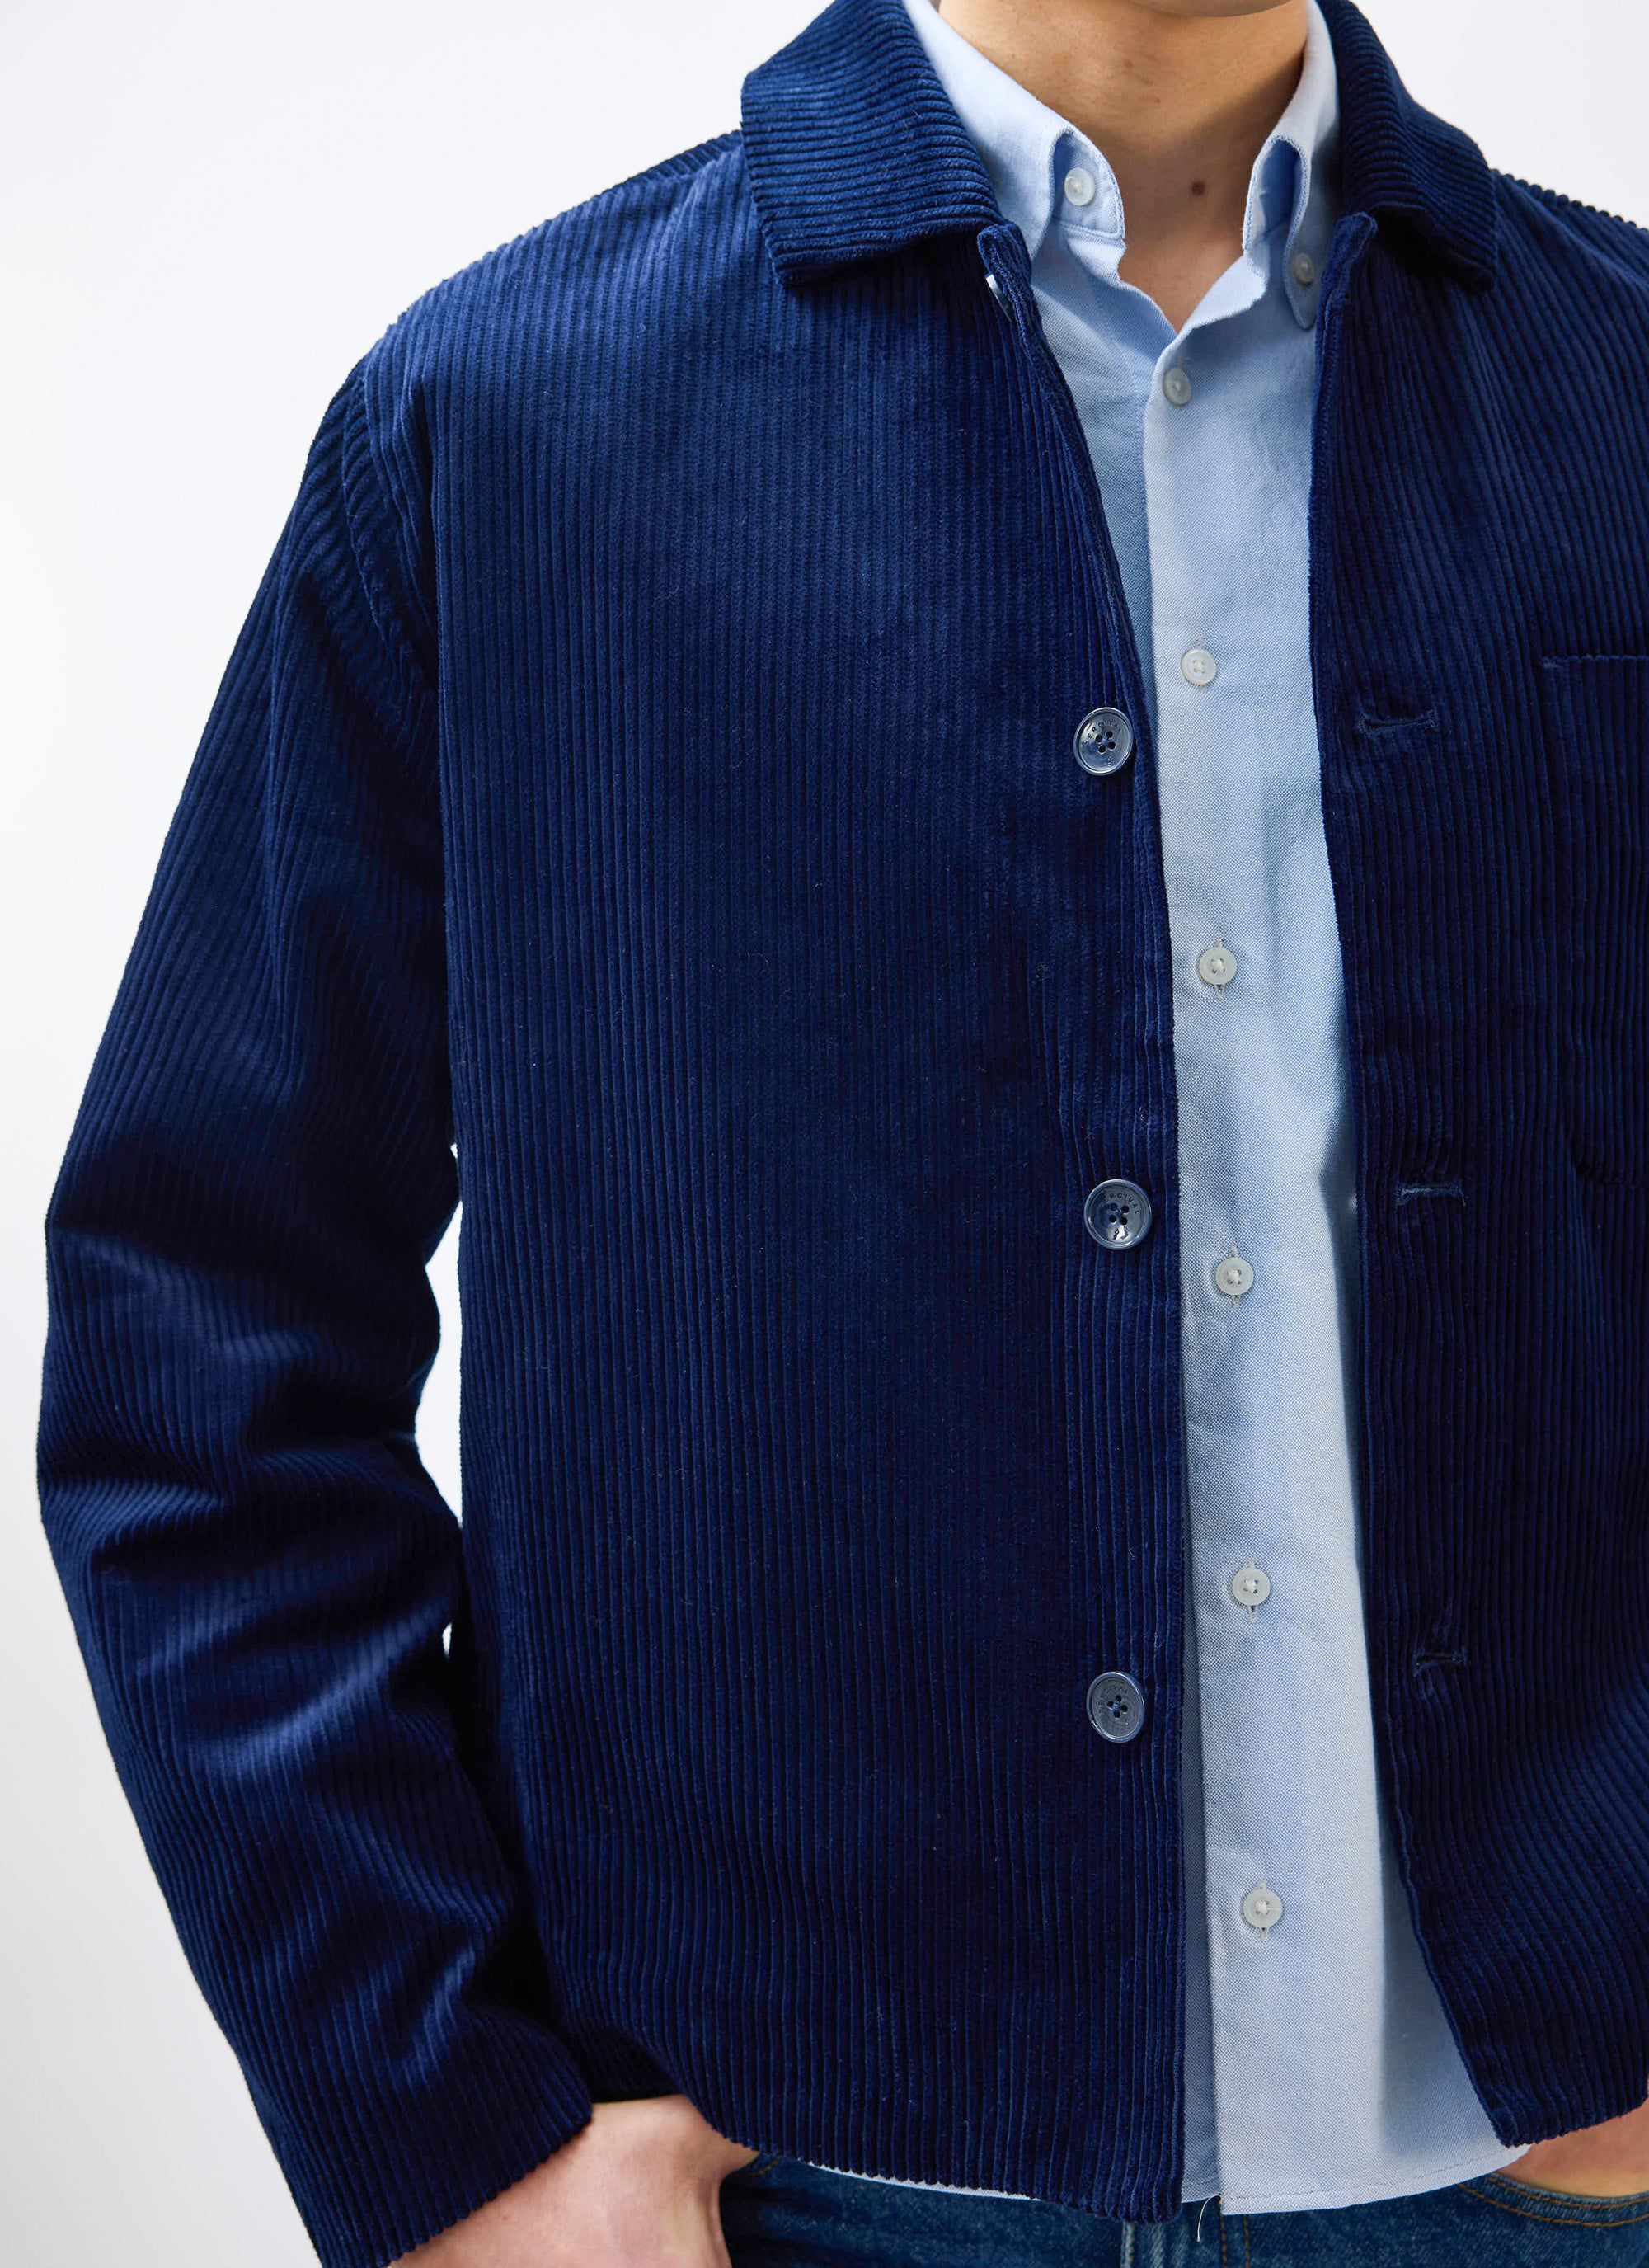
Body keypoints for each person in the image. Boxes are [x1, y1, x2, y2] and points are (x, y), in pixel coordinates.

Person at [37, 0, 1649, 2261]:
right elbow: (195, 1340)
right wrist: (448, 2139)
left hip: (1561, 2175)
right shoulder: (503, 422)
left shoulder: (1620, 394)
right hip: (801, 2191)